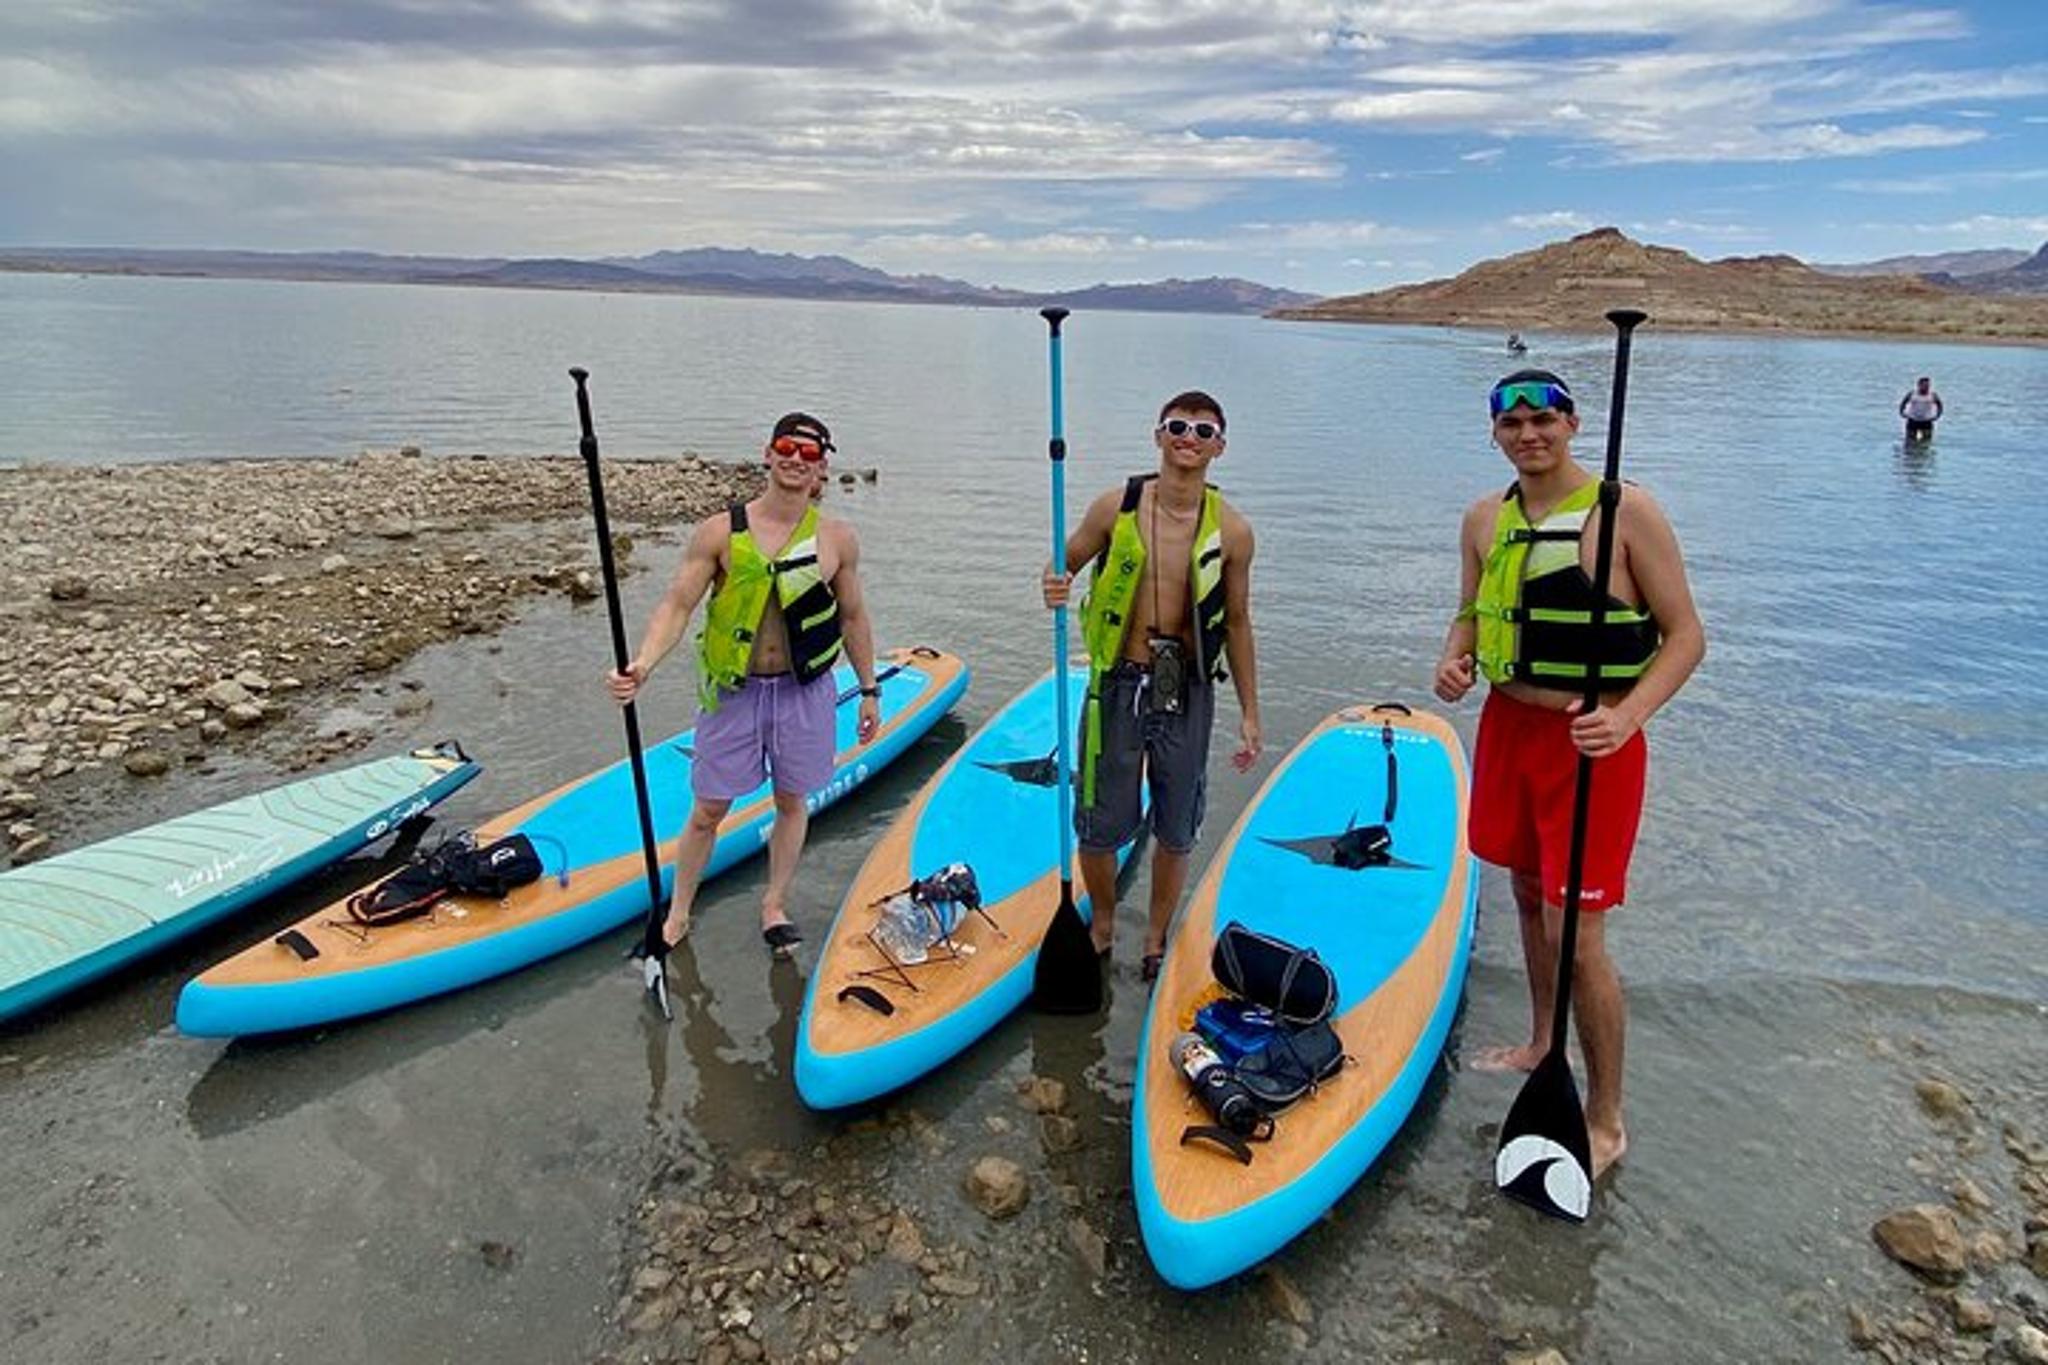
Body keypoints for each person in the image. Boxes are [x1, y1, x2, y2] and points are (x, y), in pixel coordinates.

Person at [1433, 368, 1705, 1179]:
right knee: (1523, 892)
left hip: (1592, 745)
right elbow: (1469, 613)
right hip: (1510, 727)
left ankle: (1607, 1114)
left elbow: (1687, 636)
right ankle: (1542, 1040)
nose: (1528, 434)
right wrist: (1454, 661)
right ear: (1494, 433)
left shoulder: (1627, 514)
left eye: (1542, 418)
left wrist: (1627, 716)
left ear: (1573, 423)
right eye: (1511, 422)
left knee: (1577, 936)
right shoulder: (1485, 517)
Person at [607, 412, 882, 958]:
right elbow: (678, 605)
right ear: (767, 452)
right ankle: (678, 910)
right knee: (708, 809)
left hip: (805, 693)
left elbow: (852, 618)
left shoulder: (836, 540)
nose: (795, 459)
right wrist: (641, 665)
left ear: (822, 466)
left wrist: (870, 690)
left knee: (791, 799)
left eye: (809, 453)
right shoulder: (720, 531)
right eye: (786, 446)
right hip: (735, 691)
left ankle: (773, 905)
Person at [1041, 391, 1262, 982]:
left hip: (1187, 689)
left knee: (1175, 824)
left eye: (1203, 429)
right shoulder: (1116, 507)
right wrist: (1053, 585)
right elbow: (1064, 562)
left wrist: (1249, 712)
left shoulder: (1234, 532)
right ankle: (1106, 922)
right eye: (1178, 426)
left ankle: (1157, 934)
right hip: (1117, 683)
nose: (1189, 437)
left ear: (1220, 444)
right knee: (1099, 821)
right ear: (1158, 435)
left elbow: (1237, 622)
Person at [1899, 376, 1943, 441]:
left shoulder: (1933, 395)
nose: (1927, 387)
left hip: (1927, 421)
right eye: (1925, 385)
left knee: (1926, 441)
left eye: (1928, 385)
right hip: (1913, 420)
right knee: (1910, 441)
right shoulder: (1912, 394)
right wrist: (1902, 412)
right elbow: (1903, 402)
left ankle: (1923, 450)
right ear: (1919, 385)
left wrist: (1938, 415)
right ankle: (1910, 450)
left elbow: (1940, 405)